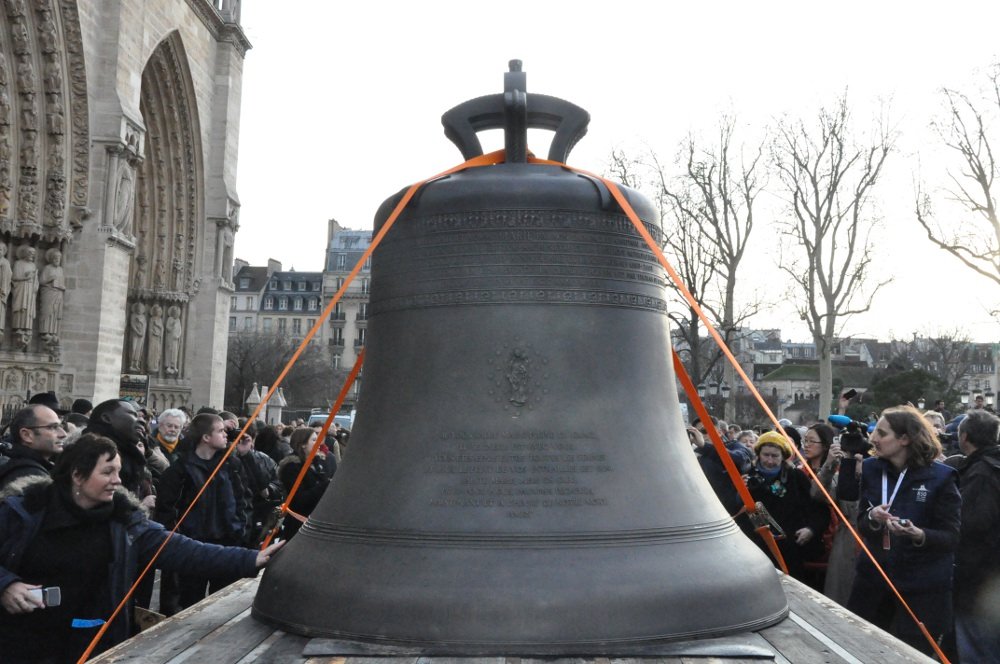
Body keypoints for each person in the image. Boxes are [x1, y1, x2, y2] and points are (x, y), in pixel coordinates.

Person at [0, 434, 283, 662]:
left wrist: (251, 559)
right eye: (107, 472)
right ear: (77, 475)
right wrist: (6, 584)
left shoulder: (125, 523)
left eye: (118, 471)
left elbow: (184, 551)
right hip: (21, 641)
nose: (118, 480)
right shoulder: (23, 511)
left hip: (90, 644)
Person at [845, 406, 961, 655]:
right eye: (875, 431)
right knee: (860, 649)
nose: (873, 438)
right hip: (874, 579)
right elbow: (862, 522)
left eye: (882, 433)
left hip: (921, 585)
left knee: (913, 653)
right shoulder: (871, 469)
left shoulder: (941, 477)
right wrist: (873, 517)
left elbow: (951, 537)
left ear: (904, 439)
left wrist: (919, 534)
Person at [153, 413, 251, 610]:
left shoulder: (231, 465)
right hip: (192, 547)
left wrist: (240, 530)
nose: (226, 435)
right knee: (188, 605)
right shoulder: (179, 470)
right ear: (206, 437)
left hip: (226, 544)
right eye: (221, 431)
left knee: (223, 605)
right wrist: (179, 540)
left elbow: (244, 499)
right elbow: (167, 509)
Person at [745, 431, 831, 585]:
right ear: (758, 454)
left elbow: (820, 510)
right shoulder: (746, 477)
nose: (769, 461)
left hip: (790, 550)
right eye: (766, 455)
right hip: (755, 549)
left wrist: (811, 529)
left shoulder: (796, 478)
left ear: (783, 456)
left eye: (775, 456)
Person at [951, 409, 1000, 662]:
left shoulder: (980, 473)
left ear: (965, 437)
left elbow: (971, 523)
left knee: (977, 649)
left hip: (978, 580)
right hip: (991, 577)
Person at [277, 427, 330, 540]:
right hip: (299, 525)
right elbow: (299, 499)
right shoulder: (292, 467)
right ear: (302, 444)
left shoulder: (317, 463)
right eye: (314, 440)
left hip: (317, 520)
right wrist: (325, 485)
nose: (319, 443)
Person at [0, 405, 67, 490]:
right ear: (26, 435)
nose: (63, 434)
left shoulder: (13, 463)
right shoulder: (30, 477)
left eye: (61, 426)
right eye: (52, 427)